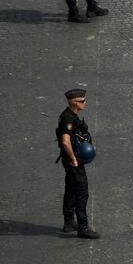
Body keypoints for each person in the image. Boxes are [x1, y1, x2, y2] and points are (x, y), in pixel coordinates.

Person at [57, 89, 99, 239]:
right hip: (73, 162)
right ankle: (83, 227)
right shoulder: (68, 119)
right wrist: (74, 159)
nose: (85, 103)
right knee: (82, 193)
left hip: (70, 161)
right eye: (82, 101)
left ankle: (69, 222)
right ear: (74, 102)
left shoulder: (71, 116)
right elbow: (65, 141)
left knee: (70, 189)